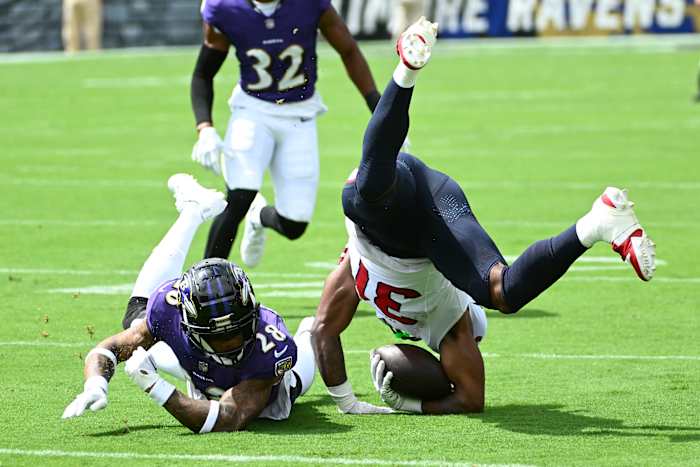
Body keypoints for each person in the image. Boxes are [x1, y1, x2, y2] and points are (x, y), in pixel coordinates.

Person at [310, 18, 657, 415]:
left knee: (368, 194)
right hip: (426, 210)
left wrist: (362, 404)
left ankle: (406, 69)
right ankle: (597, 223)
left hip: (398, 213)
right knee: (504, 294)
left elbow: (324, 328)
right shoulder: (452, 325)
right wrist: (399, 403)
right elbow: (471, 400)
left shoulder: (448, 319)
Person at [62, 174, 316, 432]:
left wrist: (157, 387)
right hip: (198, 369)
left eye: (235, 332)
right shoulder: (170, 309)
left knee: (306, 354)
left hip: (272, 393)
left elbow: (228, 418)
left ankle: (310, 329)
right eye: (217, 337)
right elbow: (112, 348)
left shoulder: (271, 348)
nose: (229, 344)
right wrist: (96, 384)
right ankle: (194, 209)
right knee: (137, 322)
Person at [191, 0, 381, 268]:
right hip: (253, 110)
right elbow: (203, 73)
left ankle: (258, 217)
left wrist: (380, 108)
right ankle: (205, 282)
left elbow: (348, 50)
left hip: (299, 115)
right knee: (238, 197)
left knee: (294, 224)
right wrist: (205, 127)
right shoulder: (225, 7)